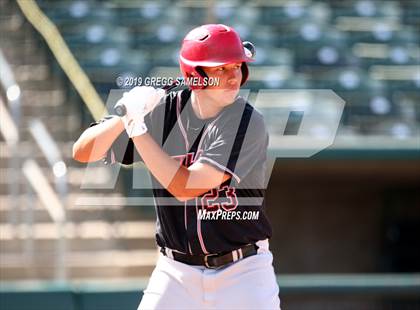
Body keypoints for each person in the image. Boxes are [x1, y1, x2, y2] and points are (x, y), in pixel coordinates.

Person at [73, 24, 280, 310]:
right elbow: (83, 151)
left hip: (242, 270)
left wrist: (137, 129)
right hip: (176, 271)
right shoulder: (161, 113)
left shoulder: (246, 121)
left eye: (237, 66)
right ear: (196, 76)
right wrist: (125, 116)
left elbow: (185, 187)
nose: (234, 76)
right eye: (221, 69)